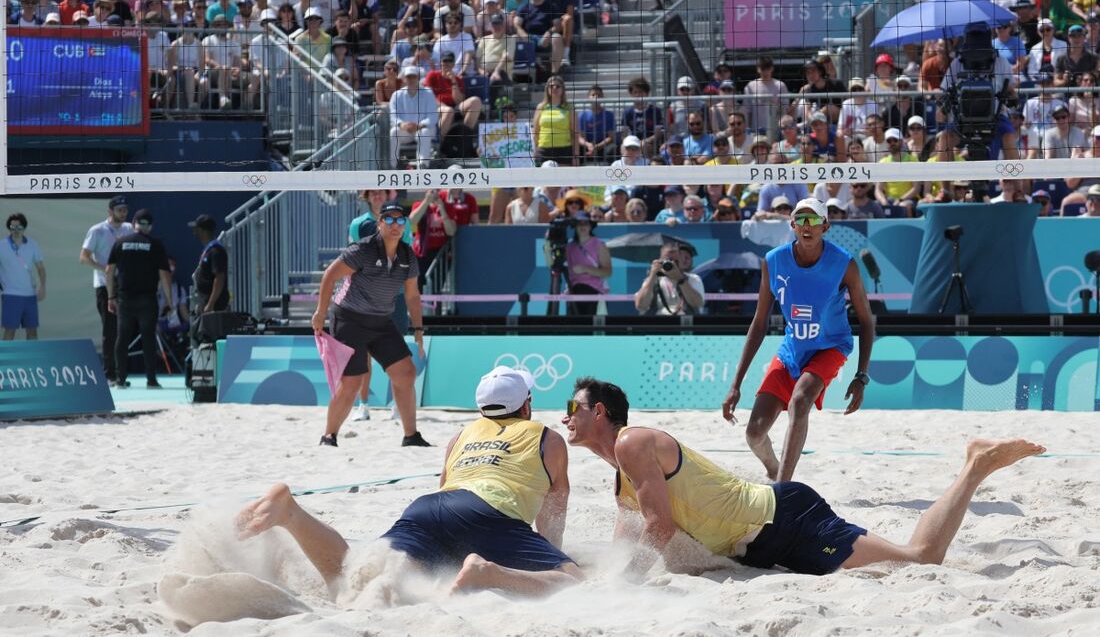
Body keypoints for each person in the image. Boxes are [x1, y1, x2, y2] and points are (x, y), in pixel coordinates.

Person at [564, 377, 1045, 578]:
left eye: (572, 408)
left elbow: (659, 529)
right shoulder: (621, 472)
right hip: (766, 540)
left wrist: (621, 584)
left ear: (599, 411)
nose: (565, 418)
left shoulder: (632, 442)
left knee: (919, 561)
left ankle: (975, 466)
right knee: (912, 562)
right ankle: (975, 464)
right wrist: (596, 572)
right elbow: (628, 539)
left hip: (784, 521)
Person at [238, 366, 581, 595]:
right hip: (489, 511)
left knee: (356, 577)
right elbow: (555, 506)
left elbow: (446, 492)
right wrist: (552, 554)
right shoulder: (547, 437)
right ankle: (488, 574)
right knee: (573, 580)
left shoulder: (460, 436)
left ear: (482, 411)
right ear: (526, 407)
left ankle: (291, 513)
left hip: (427, 510)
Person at [723, 198, 875, 482]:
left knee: (800, 401)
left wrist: (861, 375)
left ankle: (784, 489)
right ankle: (773, 470)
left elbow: (867, 322)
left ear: (825, 226)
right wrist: (735, 385)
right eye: (801, 219)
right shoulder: (774, 261)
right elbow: (759, 322)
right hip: (793, 348)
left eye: (814, 220)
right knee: (754, 433)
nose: (807, 226)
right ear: (792, 224)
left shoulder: (844, 264)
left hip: (831, 346)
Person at [313, 200, 429, 448]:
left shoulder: (408, 255)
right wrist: (320, 313)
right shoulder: (363, 249)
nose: (395, 224)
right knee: (352, 381)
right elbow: (330, 275)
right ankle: (329, 436)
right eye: (389, 219)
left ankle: (411, 436)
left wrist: (418, 328)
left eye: (400, 220)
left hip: (380, 320)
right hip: (349, 318)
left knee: (405, 372)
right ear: (379, 223)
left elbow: (412, 295)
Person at [347, 189, 414, 421]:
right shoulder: (358, 225)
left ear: (388, 195)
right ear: (367, 196)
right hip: (365, 300)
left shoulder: (402, 224)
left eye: (381, 193)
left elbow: (406, 258)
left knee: (397, 353)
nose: (377, 196)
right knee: (362, 352)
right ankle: (363, 405)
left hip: (393, 297)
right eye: (373, 193)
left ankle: (397, 404)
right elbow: (354, 260)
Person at [104, 209, 173, 390]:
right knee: (148, 338)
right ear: (150, 227)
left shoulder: (120, 243)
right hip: (147, 299)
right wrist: (169, 302)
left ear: (133, 224)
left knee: (122, 337)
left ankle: (120, 379)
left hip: (125, 299)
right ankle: (151, 380)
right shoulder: (156, 245)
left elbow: (109, 271)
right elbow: (165, 275)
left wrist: (111, 296)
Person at [80, 195, 133, 383]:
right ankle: (109, 373)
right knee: (110, 330)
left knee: (124, 330)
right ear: (110, 211)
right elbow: (84, 257)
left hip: (125, 286)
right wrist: (106, 269)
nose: (123, 213)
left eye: (125, 209)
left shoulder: (129, 229)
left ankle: (121, 373)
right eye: (120, 210)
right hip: (104, 286)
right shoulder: (98, 230)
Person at [0, 212, 46, 341]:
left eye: (19, 227)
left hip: (30, 295)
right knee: (10, 332)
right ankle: (4, 361)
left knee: (32, 332)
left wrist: (42, 287)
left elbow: (41, 268)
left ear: (24, 228)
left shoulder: (33, 244)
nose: (15, 230)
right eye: (12, 227)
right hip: (10, 295)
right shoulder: (1, 245)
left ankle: (34, 361)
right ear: (9, 228)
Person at [633, 240, 704, 316]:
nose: (672, 264)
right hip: (659, 324)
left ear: (681, 260)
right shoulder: (653, 280)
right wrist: (652, 275)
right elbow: (640, 306)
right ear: (660, 261)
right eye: (667, 260)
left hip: (683, 323)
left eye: (675, 261)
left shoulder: (693, 279)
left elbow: (698, 304)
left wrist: (681, 280)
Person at [565, 211, 611, 315]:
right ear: (575, 227)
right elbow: (554, 265)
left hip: (593, 292)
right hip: (573, 293)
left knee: (591, 329)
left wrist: (585, 269)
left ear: (590, 226)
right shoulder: (569, 246)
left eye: (585, 223)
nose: (583, 226)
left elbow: (607, 272)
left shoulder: (599, 245)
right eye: (579, 223)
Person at [189, 214, 229, 318]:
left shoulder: (216, 251)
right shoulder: (208, 250)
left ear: (203, 231)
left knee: (212, 333)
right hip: (205, 300)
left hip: (215, 305)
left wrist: (210, 304)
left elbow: (219, 278)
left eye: (196, 229)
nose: (194, 232)